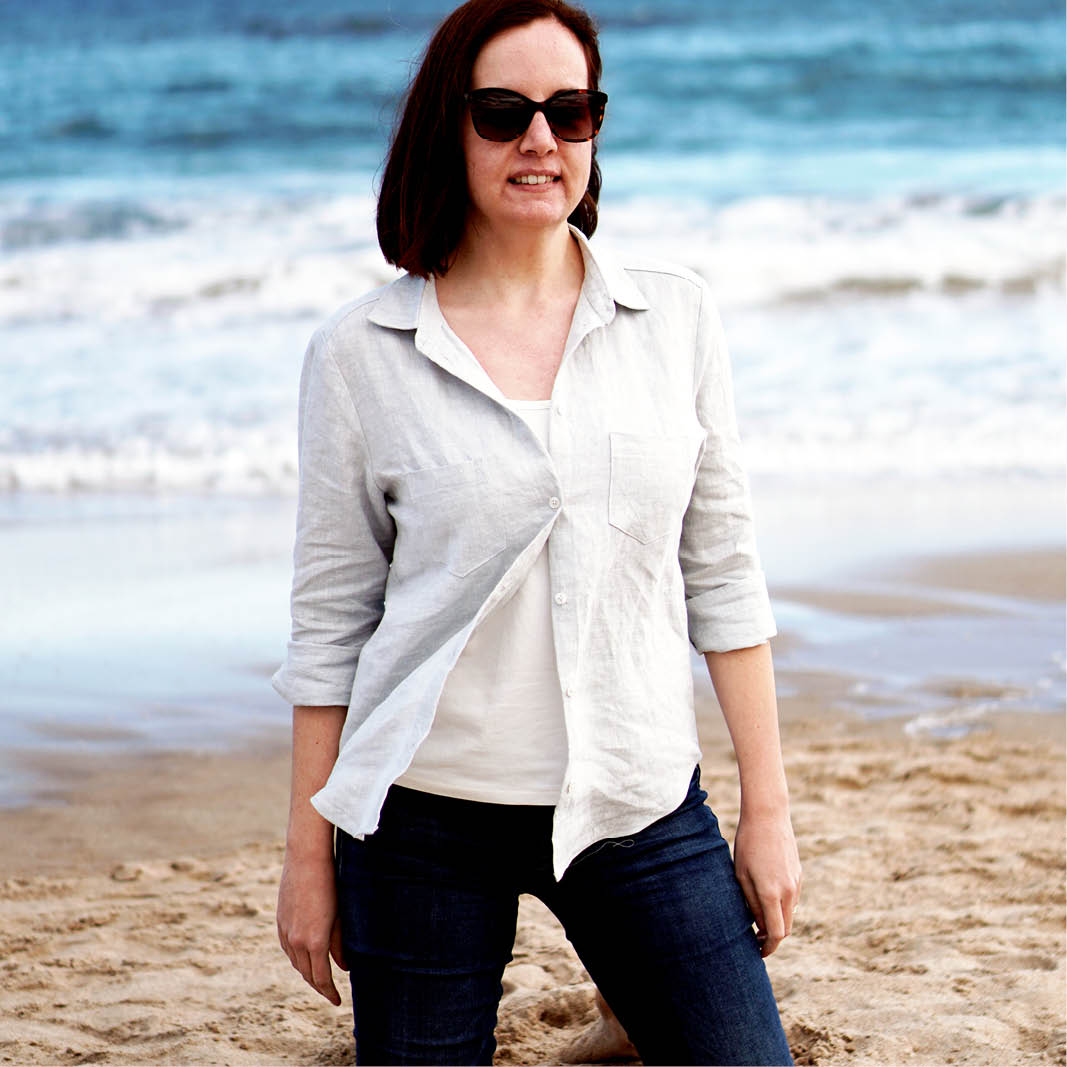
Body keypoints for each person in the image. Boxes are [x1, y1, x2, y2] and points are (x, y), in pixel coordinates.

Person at [273, 1, 801, 1063]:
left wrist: (767, 811)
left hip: (636, 800)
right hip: (422, 818)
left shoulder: (674, 319)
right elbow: (332, 623)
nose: (539, 140)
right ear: (448, 127)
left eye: (570, 112)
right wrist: (307, 855)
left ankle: (625, 1006)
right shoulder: (360, 352)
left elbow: (722, 573)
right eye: (502, 112)